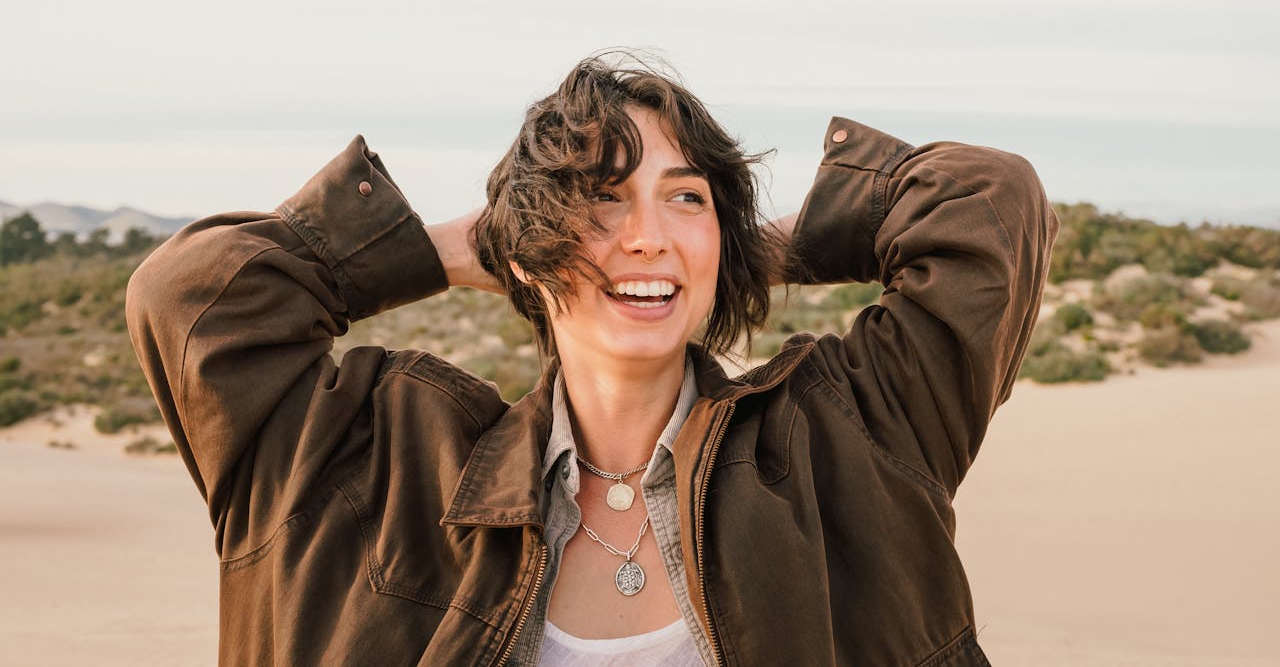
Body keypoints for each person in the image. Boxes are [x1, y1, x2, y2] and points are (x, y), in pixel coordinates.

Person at [127, 53, 1058, 666]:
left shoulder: (850, 439)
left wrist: (732, 247)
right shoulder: (371, 468)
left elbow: (991, 201)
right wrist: (463, 249)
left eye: (684, 198)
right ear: (527, 246)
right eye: (603, 200)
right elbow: (190, 297)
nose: (648, 236)